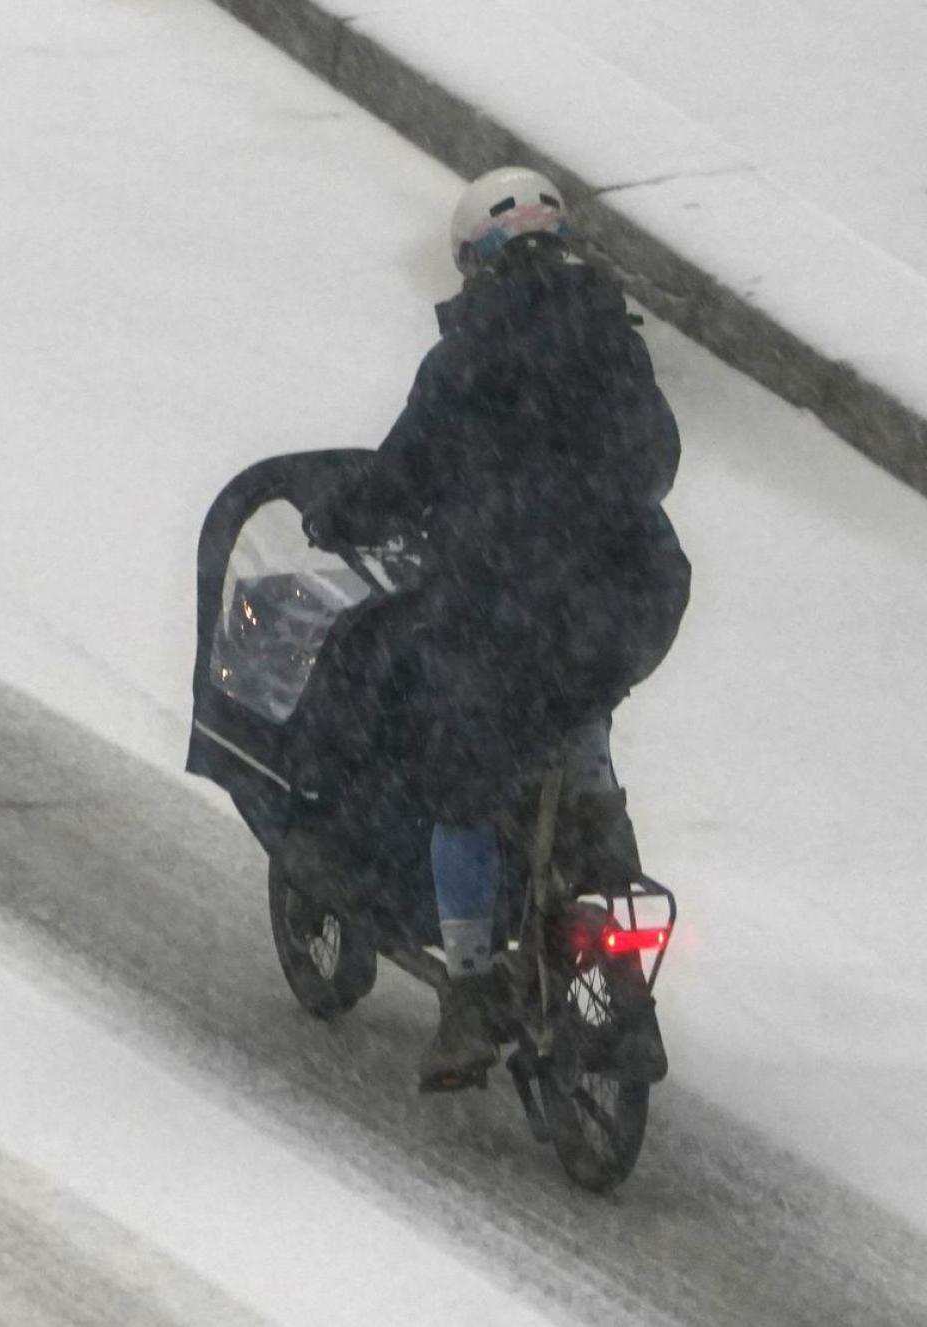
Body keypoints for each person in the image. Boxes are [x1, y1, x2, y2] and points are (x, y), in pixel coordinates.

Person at [292, 165, 691, 1091]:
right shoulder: (613, 338)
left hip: (510, 605)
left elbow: (402, 474)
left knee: (461, 776)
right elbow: (657, 459)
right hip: (631, 595)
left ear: (476, 263)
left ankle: (470, 994)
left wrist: (343, 516)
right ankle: (601, 842)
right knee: (580, 691)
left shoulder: (466, 356)